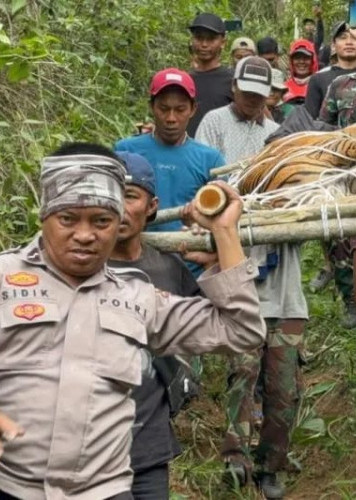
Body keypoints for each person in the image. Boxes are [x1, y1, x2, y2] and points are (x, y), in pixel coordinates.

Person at [0, 142, 266, 499]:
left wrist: (224, 232)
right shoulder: (5, 278)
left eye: (101, 221)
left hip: (106, 490)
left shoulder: (138, 296)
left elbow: (242, 330)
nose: (84, 234)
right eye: (67, 219)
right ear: (44, 216)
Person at [195, 58, 306, 499]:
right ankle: (234, 456)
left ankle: (271, 465)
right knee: (242, 369)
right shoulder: (215, 125)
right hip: (238, 272)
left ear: (271, 95)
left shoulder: (277, 137)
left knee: (283, 385)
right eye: (246, 94)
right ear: (234, 89)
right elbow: (205, 188)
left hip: (284, 282)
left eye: (261, 96)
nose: (253, 102)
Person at [109, 151, 200, 499]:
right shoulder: (76, 267)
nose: (117, 207)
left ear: (151, 206)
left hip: (148, 446)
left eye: (129, 195)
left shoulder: (167, 266)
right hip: (88, 452)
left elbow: (213, 326)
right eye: (109, 193)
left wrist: (220, 257)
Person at [115, 68, 224, 235]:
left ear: (193, 109)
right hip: (134, 255)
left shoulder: (210, 160)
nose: (171, 118)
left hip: (188, 257)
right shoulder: (126, 150)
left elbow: (222, 215)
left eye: (180, 110)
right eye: (163, 109)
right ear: (152, 107)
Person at [196, 57, 279, 162]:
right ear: (234, 85)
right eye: (247, 93)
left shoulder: (274, 132)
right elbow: (201, 164)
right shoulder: (214, 122)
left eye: (258, 94)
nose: (252, 99)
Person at [186, 13, 235, 137]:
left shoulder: (233, 80)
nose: (204, 44)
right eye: (199, 38)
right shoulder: (185, 80)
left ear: (223, 42)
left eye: (211, 39)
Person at [304, 21, 356, 119]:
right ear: (334, 44)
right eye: (343, 38)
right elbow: (311, 121)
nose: (349, 42)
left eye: (354, 38)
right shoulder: (318, 79)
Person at [282, 39, 318, 116]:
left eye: (306, 58)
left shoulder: (320, 87)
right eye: (297, 58)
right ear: (291, 61)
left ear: (313, 61)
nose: (301, 62)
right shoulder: (283, 88)